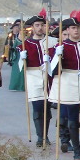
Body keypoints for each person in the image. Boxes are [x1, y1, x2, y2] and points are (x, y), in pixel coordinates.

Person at [48, 11, 80, 160]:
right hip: (68, 82)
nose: (76, 30)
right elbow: (53, 71)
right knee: (73, 119)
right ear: (67, 30)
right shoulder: (61, 46)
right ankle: (77, 151)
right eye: (73, 28)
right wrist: (57, 55)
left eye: (78, 27)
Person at [19, 10, 57, 147]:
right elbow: (20, 67)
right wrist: (22, 58)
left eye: (42, 25)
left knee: (46, 108)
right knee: (37, 106)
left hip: (48, 76)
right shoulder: (26, 44)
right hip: (33, 76)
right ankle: (40, 137)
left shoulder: (53, 41)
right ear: (32, 27)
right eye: (37, 25)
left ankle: (45, 135)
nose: (40, 28)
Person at [5, 21, 25, 91]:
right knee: (17, 71)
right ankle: (16, 85)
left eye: (17, 27)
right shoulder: (10, 36)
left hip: (24, 55)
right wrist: (7, 55)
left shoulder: (26, 36)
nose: (16, 29)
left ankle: (23, 85)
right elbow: (8, 46)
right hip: (17, 56)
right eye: (15, 27)